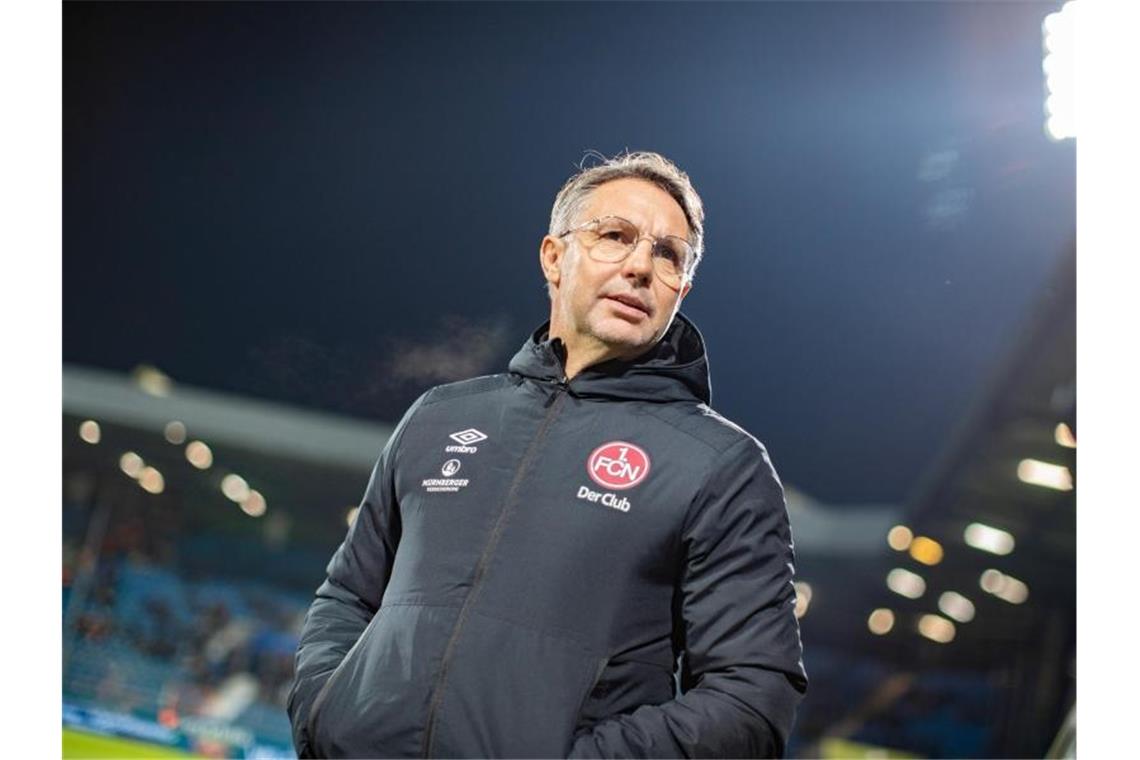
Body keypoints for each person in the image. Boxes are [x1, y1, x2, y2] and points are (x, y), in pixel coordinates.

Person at [287, 151, 808, 758]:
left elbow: (752, 696)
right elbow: (349, 595)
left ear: (681, 288)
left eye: (669, 255)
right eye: (615, 236)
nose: (641, 265)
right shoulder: (441, 416)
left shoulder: (720, 464)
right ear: (554, 258)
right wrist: (325, 712)